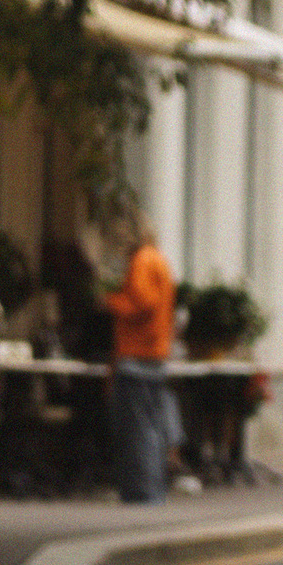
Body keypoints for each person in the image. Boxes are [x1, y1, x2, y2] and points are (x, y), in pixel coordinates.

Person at [103, 211, 181, 505]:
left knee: (137, 432)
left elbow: (142, 301)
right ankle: (151, 491)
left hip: (136, 355)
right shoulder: (158, 259)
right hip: (154, 353)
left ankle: (142, 493)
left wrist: (110, 301)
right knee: (151, 428)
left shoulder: (143, 261)